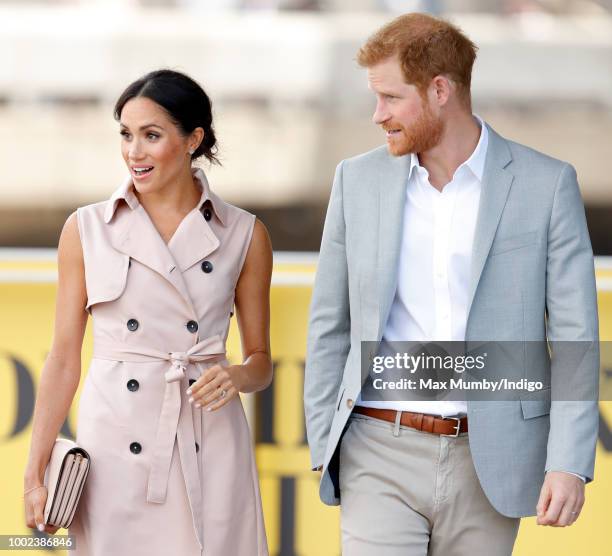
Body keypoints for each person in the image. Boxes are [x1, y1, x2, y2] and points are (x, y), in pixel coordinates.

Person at [304, 13, 599, 556]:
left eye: (391, 98)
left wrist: (568, 461)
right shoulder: (357, 181)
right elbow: (330, 322)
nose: (378, 115)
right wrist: (325, 438)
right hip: (377, 447)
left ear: (440, 90)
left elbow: (576, 338)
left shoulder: (546, 184)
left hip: (493, 458)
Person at [23, 69, 272, 556]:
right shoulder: (87, 228)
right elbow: (63, 360)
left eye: (151, 136)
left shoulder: (244, 233)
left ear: (192, 140)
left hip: (208, 435)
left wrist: (237, 376)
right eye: (126, 134)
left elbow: (261, 360)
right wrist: (34, 473)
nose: (134, 152)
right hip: (115, 439)